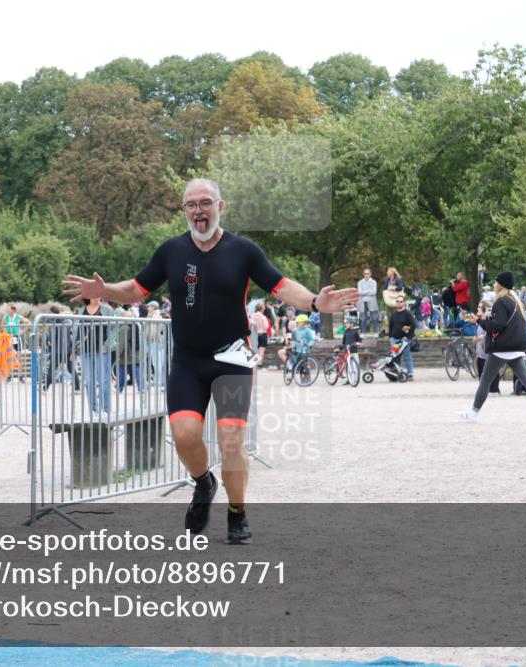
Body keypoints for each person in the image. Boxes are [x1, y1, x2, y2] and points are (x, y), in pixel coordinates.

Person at [61, 177, 358, 544]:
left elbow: (282, 287)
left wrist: (316, 301)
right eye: (191, 205)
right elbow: (136, 290)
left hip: (232, 360)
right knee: (184, 435)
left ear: (221, 206)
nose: (199, 211)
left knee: (231, 440)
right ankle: (204, 482)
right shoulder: (171, 251)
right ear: (184, 210)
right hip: (188, 362)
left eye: (206, 202)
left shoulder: (243, 250)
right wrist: (105, 290)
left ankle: (237, 513)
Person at [458, 272, 526, 425]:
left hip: (502, 347)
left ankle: (473, 413)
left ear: (500, 285)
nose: (494, 285)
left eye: (495, 282)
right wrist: (481, 320)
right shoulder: (516, 301)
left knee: (485, 381)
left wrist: (481, 322)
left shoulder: (500, 302)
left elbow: (498, 325)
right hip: (516, 346)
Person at [78, 297, 115, 416]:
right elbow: (76, 328)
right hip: (85, 349)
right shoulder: (81, 310)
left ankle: (106, 410)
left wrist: (107, 344)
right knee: (89, 381)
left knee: (104, 380)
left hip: (102, 349)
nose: (95, 295)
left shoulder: (107, 310)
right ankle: (93, 410)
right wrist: (76, 346)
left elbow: (115, 327)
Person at [473, 299, 501, 395]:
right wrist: (476, 338)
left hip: (488, 349)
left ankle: (494, 389)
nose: (478, 309)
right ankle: (483, 390)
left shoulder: (489, 319)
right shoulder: (479, 320)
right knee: (481, 370)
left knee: (491, 370)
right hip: (480, 350)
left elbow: (492, 331)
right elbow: (477, 334)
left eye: (480, 307)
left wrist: (482, 337)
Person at [115, 308, 145, 394]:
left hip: (127, 354)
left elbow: (121, 343)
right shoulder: (135, 325)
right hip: (136, 352)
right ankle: (141, 387)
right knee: (137, 368)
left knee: (122, 369)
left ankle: (119, 388)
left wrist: (118, 354)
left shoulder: (124, 327)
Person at [388, 294, 417, 381]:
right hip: (394, 339)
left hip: (404, 340)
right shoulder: (393, 314)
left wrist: (408, 329)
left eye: (400, 301)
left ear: (404, 303)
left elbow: (414, 325)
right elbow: (390, 326)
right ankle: (398, 373)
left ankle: (410, 374)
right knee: (396, 358)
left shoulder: (408, 314)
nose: (399, 303)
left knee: (407, 356)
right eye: (397, 301)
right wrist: (390, 337)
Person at [357, 268, 379, 337]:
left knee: (374, 318)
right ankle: (363, 333)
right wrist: (368, 291)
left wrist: (364, 292)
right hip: (362, 301)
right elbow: (359, 292)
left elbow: (374, 292)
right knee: (363, 318)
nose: (366, 275)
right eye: (365, 273)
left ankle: (376, 333)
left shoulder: (373, 282)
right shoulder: (360, 282)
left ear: (370, 274)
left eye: (368, 273)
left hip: (372, 302)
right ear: (363, 274)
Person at [382, 267, 404, 333]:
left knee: (397, 314)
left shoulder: (398, 279)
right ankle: (391, 329)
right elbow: (385, 288)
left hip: (396, 300)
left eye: (388, 271)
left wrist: (393, 288)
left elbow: (400, 288)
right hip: (389, 300)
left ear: (392, 272)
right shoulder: (387, 279)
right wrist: (387, 287)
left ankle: (398, 328)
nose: (387, 273)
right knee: (389, 315)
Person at [251, 302, 271, 368]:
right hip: (263, 334)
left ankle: (254, 364)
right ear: (262, 309)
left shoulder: (252, 316)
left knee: (254, 350)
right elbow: (266, 326)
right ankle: (260, 364)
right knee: (261, 350)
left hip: (255, 335)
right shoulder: (263, 317)